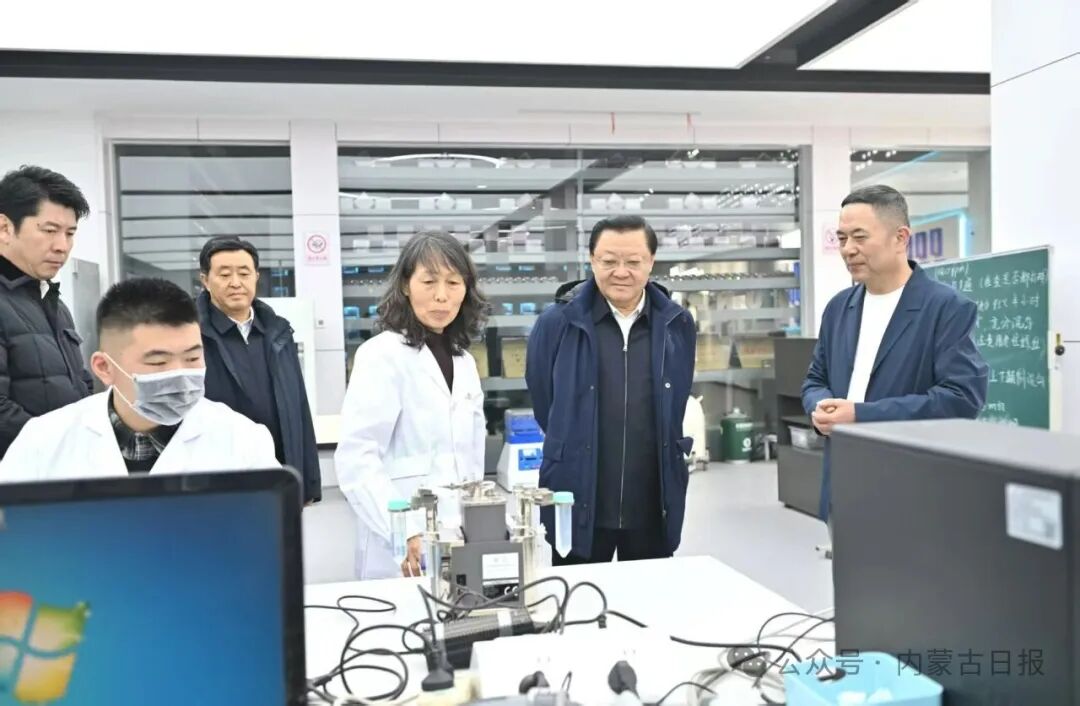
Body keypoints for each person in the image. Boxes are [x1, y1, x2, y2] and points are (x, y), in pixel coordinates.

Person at [802, 185, 989, 527]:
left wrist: (861, 415)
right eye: (842, 238)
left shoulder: (946, 308)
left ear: (900, 238)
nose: (848, 249)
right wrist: (821, 407)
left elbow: (961, 398)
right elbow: (816, 379)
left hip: (912, 491)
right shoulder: (839, 308)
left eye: (860, 237)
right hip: (843, 486)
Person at [526, 215, 697, 564]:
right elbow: (545, 401)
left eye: (633, 262)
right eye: (609, 261)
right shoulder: (558, 323)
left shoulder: (676, 323)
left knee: (649, 594)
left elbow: (675, 401)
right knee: (578, 592)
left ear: (651, 262)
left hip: (652, 500)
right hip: (577, 493)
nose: (621, 272)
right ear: (592, 260)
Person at [0, 278, 280, 482]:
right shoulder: (44, 440)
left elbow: (272, 536)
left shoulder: (242, 439)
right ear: (104, 368)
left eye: (193, 358)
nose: (181, 376)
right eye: (158, 362)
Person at [335, 231, 489, 579]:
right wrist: (403, 529)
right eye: (429, 281)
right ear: (406, 285)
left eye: (453, 283)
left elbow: (472, 460)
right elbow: (357, 458)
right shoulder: (381, 355)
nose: (441, 295)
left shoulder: (464, 361)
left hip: (458, 533)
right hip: (400, 542)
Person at [196, 236, 321, 504]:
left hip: (280, 473)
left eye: (244, 273)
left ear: (256, 277)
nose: (235, 282)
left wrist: (308, 482)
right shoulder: (192, 336)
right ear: (205, 280)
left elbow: (299, 406)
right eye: (224, 274)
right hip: (220, 477)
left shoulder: (278, 331)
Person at [0, 165, 94, 456]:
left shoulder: (52, 301)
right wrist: (61, 447)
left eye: (70, 233)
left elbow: (80, 383)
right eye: (50, 231)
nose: (62, 246)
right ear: (5, 228)